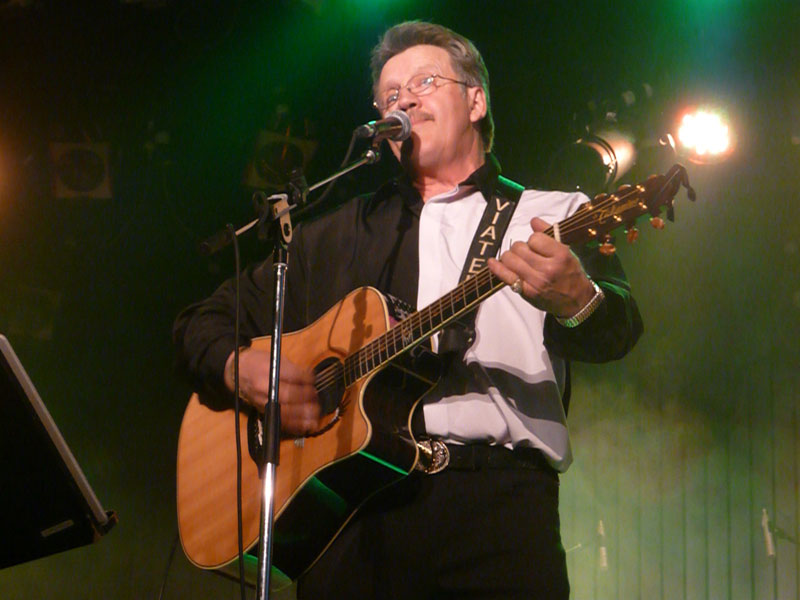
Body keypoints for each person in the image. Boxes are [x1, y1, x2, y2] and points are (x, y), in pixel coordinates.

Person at [174, 20, 643, 599]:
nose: (405, 101)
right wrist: (236, 367)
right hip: (354, 514)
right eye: (390, 96)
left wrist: (579, 301)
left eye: (424, 82)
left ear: (476, 101)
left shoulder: (554, 213)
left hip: (498, 510)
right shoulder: (333, 234)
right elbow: (201, 321)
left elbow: (619, 330)